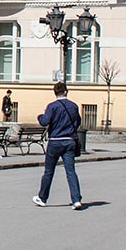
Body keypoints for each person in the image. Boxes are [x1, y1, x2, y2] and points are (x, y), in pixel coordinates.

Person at [33, 81, 83, 210]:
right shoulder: (74, 106)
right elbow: (77, 122)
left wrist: (39, 116)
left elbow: (44, 122)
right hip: (69, 140)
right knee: (70, 171)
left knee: (49, 171)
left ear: (55, 92)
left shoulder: (52, 106)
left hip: (55, 141)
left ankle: (42, 198)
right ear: (66, 91)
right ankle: (76, 199)